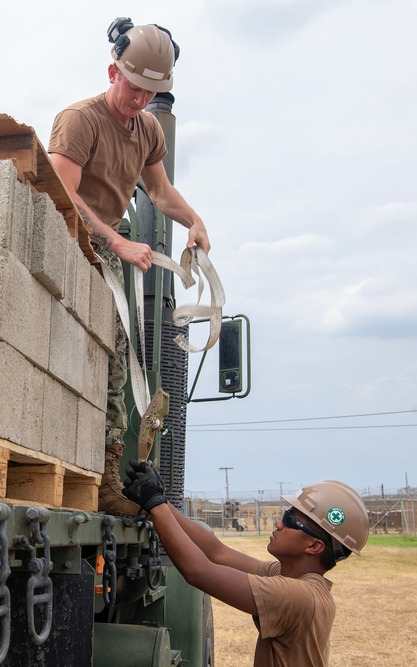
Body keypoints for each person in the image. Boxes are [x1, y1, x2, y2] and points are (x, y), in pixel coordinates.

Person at [48, 18, 211, 515]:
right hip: (65, 245)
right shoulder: (81, 119)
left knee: (115, 366)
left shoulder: (146, 131)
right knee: (90, 355)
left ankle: (105, 476)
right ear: (113, 71)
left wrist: (195, 220)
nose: (141, 100)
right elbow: (63, 195)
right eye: (135, 88)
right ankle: (75, 466)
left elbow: (159, 192)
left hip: (105, 257)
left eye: (151, 93)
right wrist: (118, 241)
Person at [123, 465, 370, 667]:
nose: (279, 523)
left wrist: (155, 504)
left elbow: (198, 571)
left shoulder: (298, 596)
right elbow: (217, 553)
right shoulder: (294, 579)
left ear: (314, 547)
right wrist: (162, 504)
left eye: (290, 519)